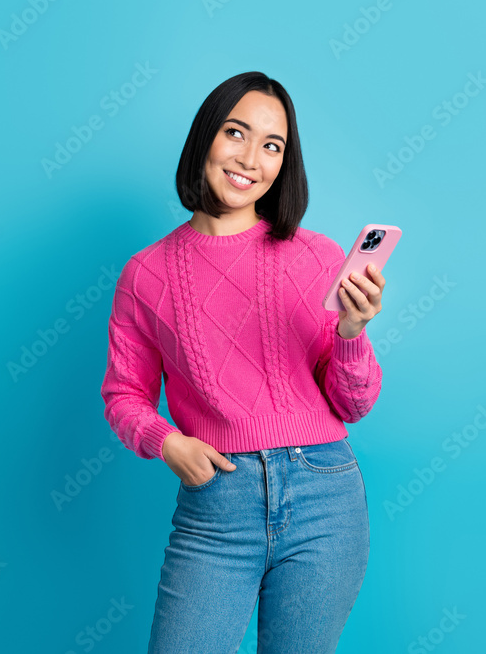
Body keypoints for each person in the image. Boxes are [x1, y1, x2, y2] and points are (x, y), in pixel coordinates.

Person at [99, 70, 387, 654]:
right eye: (236, 132)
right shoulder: (145, 274)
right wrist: (166, 441)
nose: (251, 158)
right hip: (216, 502)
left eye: (272, 145)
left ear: (285, 163)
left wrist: (353, 332)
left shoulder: (318, 256)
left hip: (324, 496)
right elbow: (123, 394)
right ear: (206, 136)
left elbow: (353, 405)